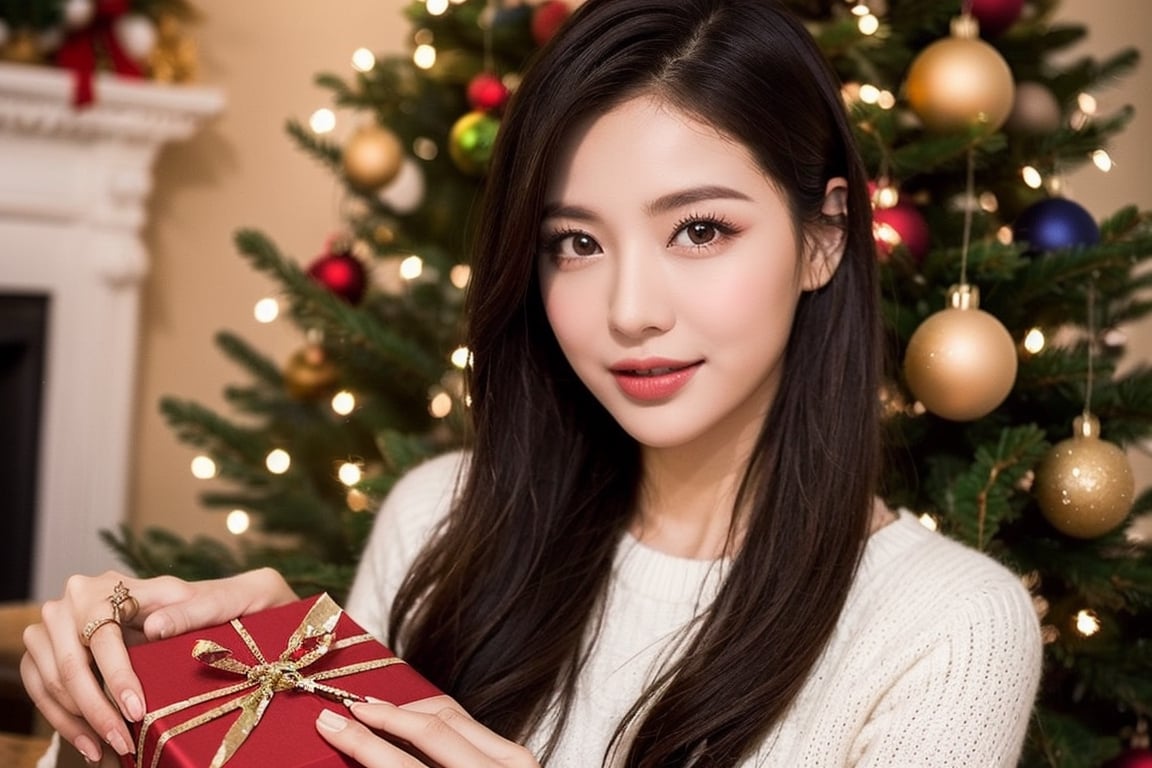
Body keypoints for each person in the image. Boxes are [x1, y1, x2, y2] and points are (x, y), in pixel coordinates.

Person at [22, 0, 1044, 766]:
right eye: (575, 243)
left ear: (824, 237)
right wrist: (142, 697)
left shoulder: (949, 631)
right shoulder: (440, 518)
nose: (629, 308)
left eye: (701, 229)